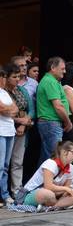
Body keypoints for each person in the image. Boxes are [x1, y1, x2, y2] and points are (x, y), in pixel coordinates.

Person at [15, 141, 73, 210]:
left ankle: (52, 207)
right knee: (47, 194)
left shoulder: (71, 167)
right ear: (64, 152)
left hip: (55, 194)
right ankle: (59, 205)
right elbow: (48, 186)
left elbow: (67, 188)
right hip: (32, 193)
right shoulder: (51, 164)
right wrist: (64, 189)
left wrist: (65, 191)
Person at [36, 57, 72, 165]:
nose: (64, 71)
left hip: (51, 123)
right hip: (51, 122)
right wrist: (68, 121)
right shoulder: (50, 81)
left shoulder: (53, 81)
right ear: (53, 68)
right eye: (62, 68)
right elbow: (58, 106)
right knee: (53, 157)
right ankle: (47, 182)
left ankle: (42, 182)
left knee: (47, 158)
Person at [5, 65, 33, 198]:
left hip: (22, 130)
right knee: (4, 163)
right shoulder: (3, 91)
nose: (17, 79)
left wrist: (24, 123)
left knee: (17, 162)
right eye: (14, 77)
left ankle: (17, 191)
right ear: (6, 77)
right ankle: (4, 193)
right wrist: (20, 121)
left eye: (18, 76)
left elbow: (31, 109)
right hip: (6, 128)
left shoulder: (22, 90)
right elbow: (7, 112)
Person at [0, 68, 18, 206]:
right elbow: (2, 109)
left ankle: (5, 195)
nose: (4, 79)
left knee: (6, 166)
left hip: (10, 131)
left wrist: (8, 110)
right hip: (0, 131)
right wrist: (8, 110)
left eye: (4, 77)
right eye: (3, 77)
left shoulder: (5, 92)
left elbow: (15, 109)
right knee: (0, 166)